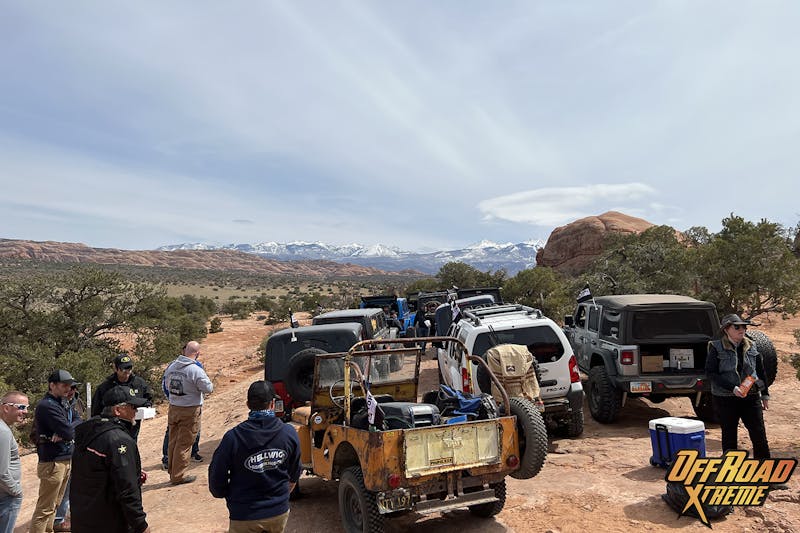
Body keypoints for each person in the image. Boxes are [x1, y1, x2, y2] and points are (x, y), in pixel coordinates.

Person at [209, 381, 301, 533]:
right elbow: (295, 472)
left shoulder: (233, 438)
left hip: (244, 515)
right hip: (278, 514)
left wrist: (228, 495)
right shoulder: (289, 433)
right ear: (273, 404)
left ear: (247, 404)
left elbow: (216, 478)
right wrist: (280, 498)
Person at [70, 386, 150, 533]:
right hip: (109, 521)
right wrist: (140, 524)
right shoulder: (118, 440)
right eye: (132, 407)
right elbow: (127, 488)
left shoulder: (91, 430)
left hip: (84, 517)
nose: (136, 411)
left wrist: (133, 471)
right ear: (117, 410)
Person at [706, 314, 771, 459]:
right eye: (737, 327)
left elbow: (760, 371)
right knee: (729, 436)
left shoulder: (752, 345)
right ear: (726, 329)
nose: (742, 330)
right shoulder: (716, 347)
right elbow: (711, 373)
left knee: (759, 434)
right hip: (725, 398)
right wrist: (732, 388)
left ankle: (765, 469)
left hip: (751, 396)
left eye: (744, 326)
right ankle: (731, 469)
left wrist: (765, 394)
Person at [29, 370, 78, 533]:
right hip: (52, 461)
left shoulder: (62, 403)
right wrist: (66, 431)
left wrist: (66, 430)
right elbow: (69, 432)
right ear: (52, 385)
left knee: (55, 504)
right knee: (45, 508)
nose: (68, 389)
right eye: (64, 385)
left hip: (63, 458)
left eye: (69, 385)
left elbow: (77, 421)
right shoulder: (47, 406)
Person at [163, 340, 213, 485]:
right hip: (189, 409)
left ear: (184, 351)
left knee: (173, 441)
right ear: (197, 353)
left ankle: (172, 471)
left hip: (174, 407)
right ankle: (178, 476)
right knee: (184, 443)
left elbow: (166, 384)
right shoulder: (195, 370)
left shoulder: (172, 366)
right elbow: (208, 388)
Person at [91, 354, 154, 440]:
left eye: (129, 368)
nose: (127, 371)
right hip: (112, 429)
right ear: (116, 369)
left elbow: (148, 399)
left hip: (133, 427)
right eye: (124, 368)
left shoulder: (139, 383)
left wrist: (145, 407)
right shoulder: (105, 387)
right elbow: (96, 410)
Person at [52, 385, 85, 532]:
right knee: (57, 490)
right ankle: (57, 520)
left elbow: (79, 420)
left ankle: (64, 517)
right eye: (69, 388)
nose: (72, 391)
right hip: (56, 454)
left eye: (74, 388)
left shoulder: (75, 402)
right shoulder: (53, 405)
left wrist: (66, 431)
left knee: (71, 485)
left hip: (73, 449)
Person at [0, 391, 29, 533]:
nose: (26, 412)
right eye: (21, 407)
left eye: (27, 407)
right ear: (6, 408)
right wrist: (16, 491)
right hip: (7, 495)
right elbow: (1, 472)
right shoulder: (3, 432)